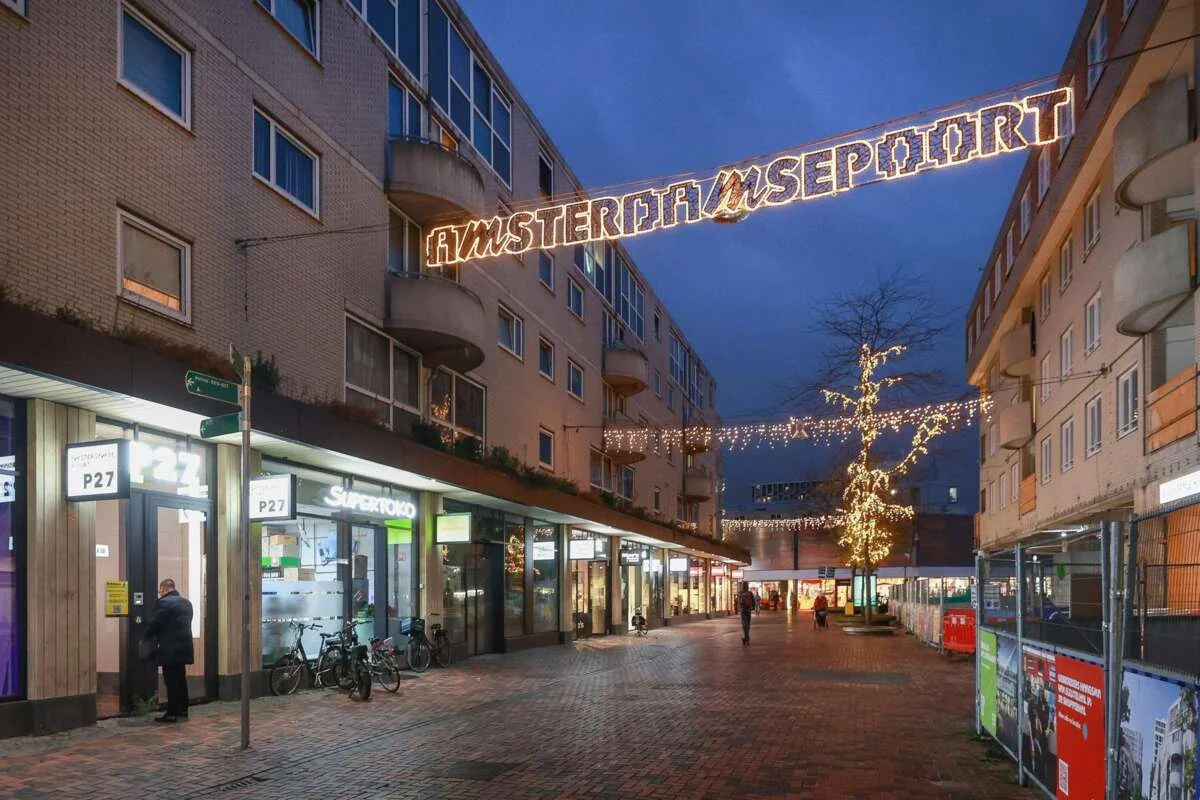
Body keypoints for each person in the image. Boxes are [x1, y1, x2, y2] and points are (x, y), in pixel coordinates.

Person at [144, 578, 194, 723]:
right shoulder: (186, 603)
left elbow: (155, 623)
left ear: (164, 589)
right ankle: (183, 710)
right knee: (180, 679)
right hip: (184, 647)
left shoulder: (164, 603)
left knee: (171, 681)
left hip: (169, 648)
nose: (160, 594)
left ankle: (171, 713)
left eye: (160, 591)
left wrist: (146, 636)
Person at [737, 581, 755, 645]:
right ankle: (746, 638)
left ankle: (746, 638)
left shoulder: (740, 593)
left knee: (744, 625)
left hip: (743, 610)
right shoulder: (750, 593)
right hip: (748, 610)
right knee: (748, 624)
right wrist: (753, 608)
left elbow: (738, 602)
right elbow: (753, 601)